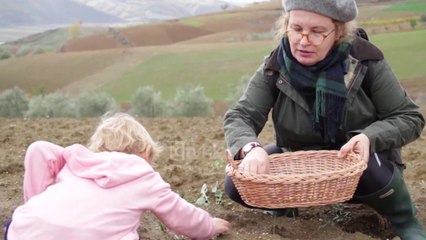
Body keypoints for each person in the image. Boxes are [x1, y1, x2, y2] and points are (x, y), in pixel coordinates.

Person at [223, 0, 426, 239]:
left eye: (317, 32)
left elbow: (409, 117)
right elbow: (241, 115)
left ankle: (404, 220)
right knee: (235, 183)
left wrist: (369, 138)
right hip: (300, 165)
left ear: (338, 32)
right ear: (286, 25)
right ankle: (284, 208)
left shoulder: (366, 61)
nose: (303, 40)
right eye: (296, 29)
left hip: (359, 165)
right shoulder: (275, 65)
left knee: (372, 169)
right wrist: (251, 148)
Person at [4, 112, 230, 240]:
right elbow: (180, 215)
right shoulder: (144, 176)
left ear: (98, 148)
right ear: (146, 153)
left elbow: (39, 150)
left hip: (23, 231)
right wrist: (208, 225)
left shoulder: (77, 163)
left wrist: (34, 208)